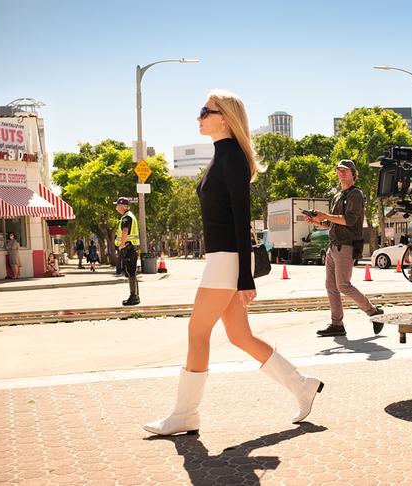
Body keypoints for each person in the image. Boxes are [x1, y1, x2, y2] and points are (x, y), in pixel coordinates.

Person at [143, 90, 323, 436]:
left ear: (224, 118)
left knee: (197, 331)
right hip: (221, 258)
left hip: (227, 260)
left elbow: (242, 221)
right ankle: (302, 386)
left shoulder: (233, 159)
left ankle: (185, 414)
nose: (198, 117)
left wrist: (245, 279)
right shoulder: (221, 156)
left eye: (204, 111)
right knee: (240, 336)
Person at [306, 160, 384, 337]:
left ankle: (373, 312)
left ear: (353, 174)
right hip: (333, 246)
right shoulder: (337, 196)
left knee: (343, 285)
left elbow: (349, 220)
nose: (341, 173)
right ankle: (337, 324)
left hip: (346, 246)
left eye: (345, 170)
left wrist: (325, 216)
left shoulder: (355, 194)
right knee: (331, 286)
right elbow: (332, 223)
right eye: (339, 170)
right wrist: (317, 221)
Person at [114, 197, 140, 305]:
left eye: (117, 205)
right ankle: (135, 296)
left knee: (130, 272)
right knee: (132, 272)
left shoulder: (126, 218)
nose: (116, 208)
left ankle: (133, 297)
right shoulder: (129, 216)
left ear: (122, 206)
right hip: (132, 248)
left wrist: (121, 245)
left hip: (128, 248)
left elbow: (125, 231)